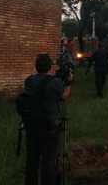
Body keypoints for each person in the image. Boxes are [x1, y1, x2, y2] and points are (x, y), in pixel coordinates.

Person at [22, 54, 72, 185]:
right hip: (49, 128)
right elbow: (64, 96)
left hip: (31, 127)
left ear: (36, 66)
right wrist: (69, 82)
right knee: (49, 162)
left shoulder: (28, 81)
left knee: (31, 161)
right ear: (50, 66)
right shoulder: (55, 82)